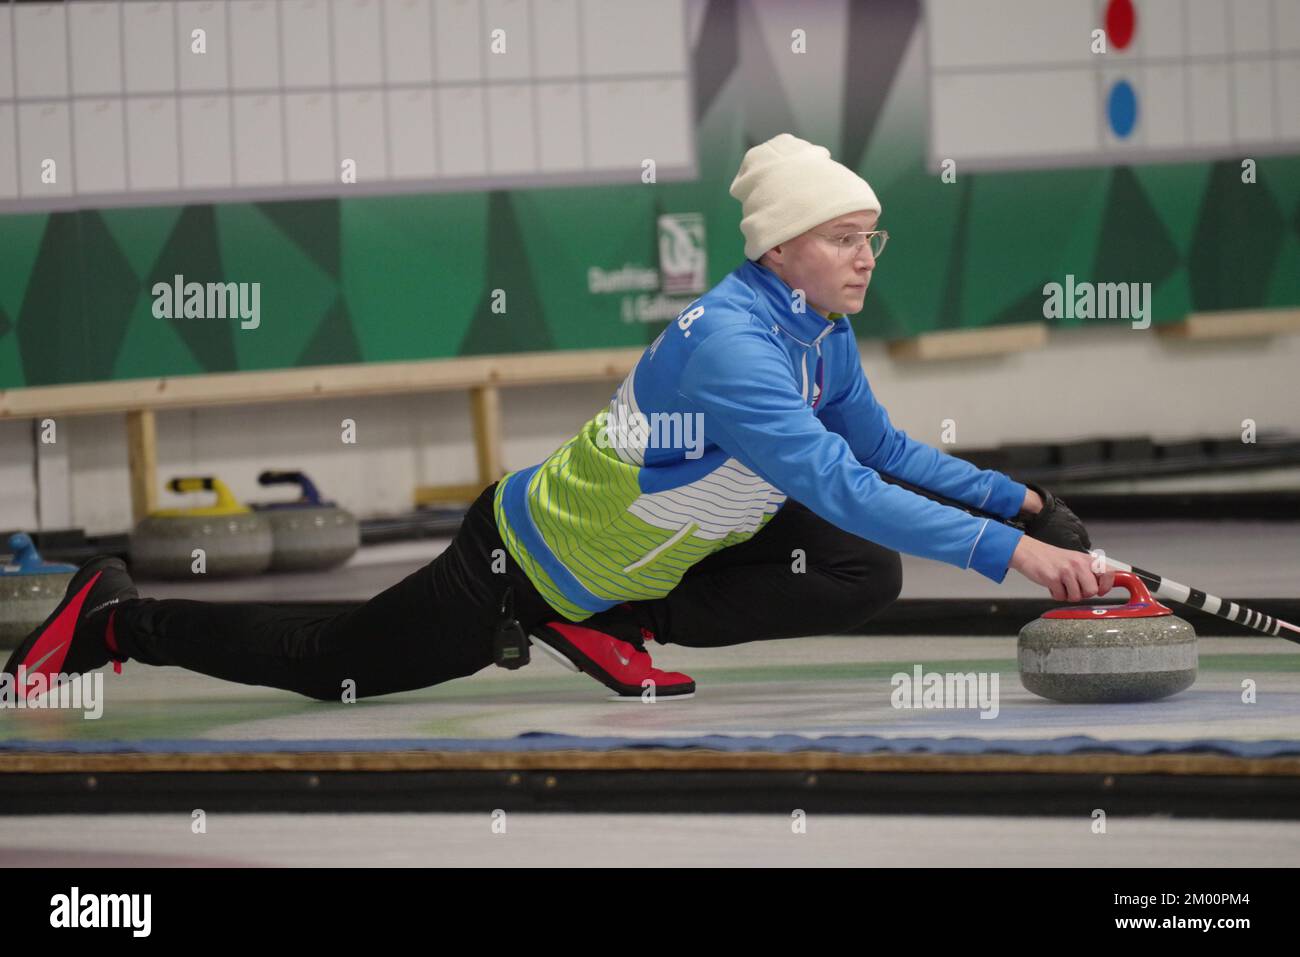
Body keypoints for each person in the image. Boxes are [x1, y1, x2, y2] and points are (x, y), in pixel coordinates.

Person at [5, 133, 1112, 703]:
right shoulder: (733, 343)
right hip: (523, 560)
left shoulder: (815, 333)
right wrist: (1010, 553)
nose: (866, 254)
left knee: (860, 569)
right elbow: (835, 479)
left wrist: (1017, 499)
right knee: (327, 661)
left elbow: (876, 451)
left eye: (873, 234)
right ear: (779, 248)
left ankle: (616, 621)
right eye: (843, 236)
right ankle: (117, 621)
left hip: (668, 541)